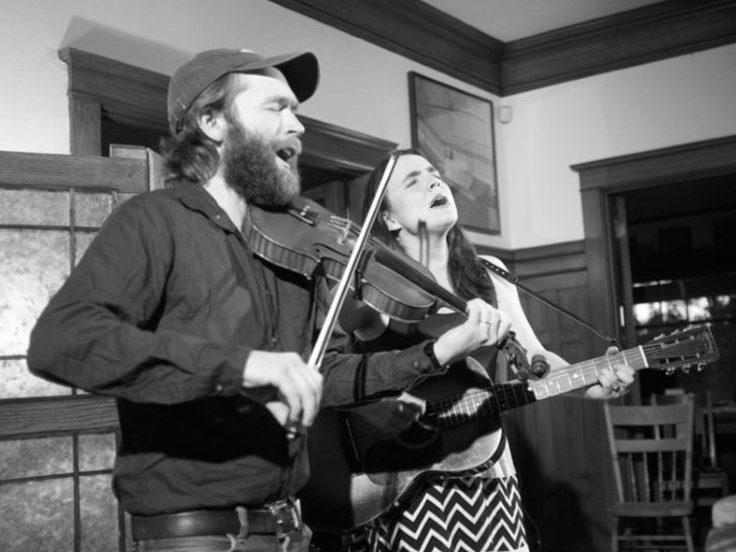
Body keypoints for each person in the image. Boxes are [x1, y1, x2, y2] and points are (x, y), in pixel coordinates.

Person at [27, 48, 328, 552]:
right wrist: (242, 365)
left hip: (292, 531)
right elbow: (61, 340)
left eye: (296, 111)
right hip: (203, 540)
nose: (297, 126)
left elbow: (312, 376)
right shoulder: (152, 220)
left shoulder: (288, 246)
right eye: (277, 108)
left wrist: (428, 358)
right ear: (212, 122)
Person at [317, 149, 636, 552]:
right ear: (389, 219)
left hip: (487, 469)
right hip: (403, 482)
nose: (435, 182)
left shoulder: (489, 274)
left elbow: (534, 362)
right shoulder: (372, 285)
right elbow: (320, 361)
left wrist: (592, 385)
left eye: (435, 174)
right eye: (414, 181)